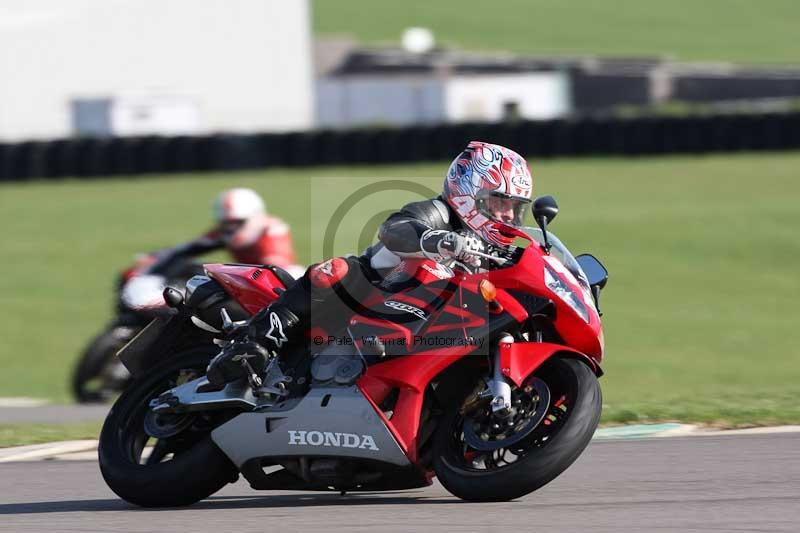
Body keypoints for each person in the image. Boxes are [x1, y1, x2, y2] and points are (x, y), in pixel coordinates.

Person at [206, 141, 534, 387]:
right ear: (469, 192)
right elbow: (394, 230)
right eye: (499, 201)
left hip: (424, 331)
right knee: (333, 270)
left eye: (514, 207)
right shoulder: (437, 212)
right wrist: (438, 240)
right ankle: (255, 343)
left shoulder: (495, 253)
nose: (507, 215)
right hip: (368, 296)